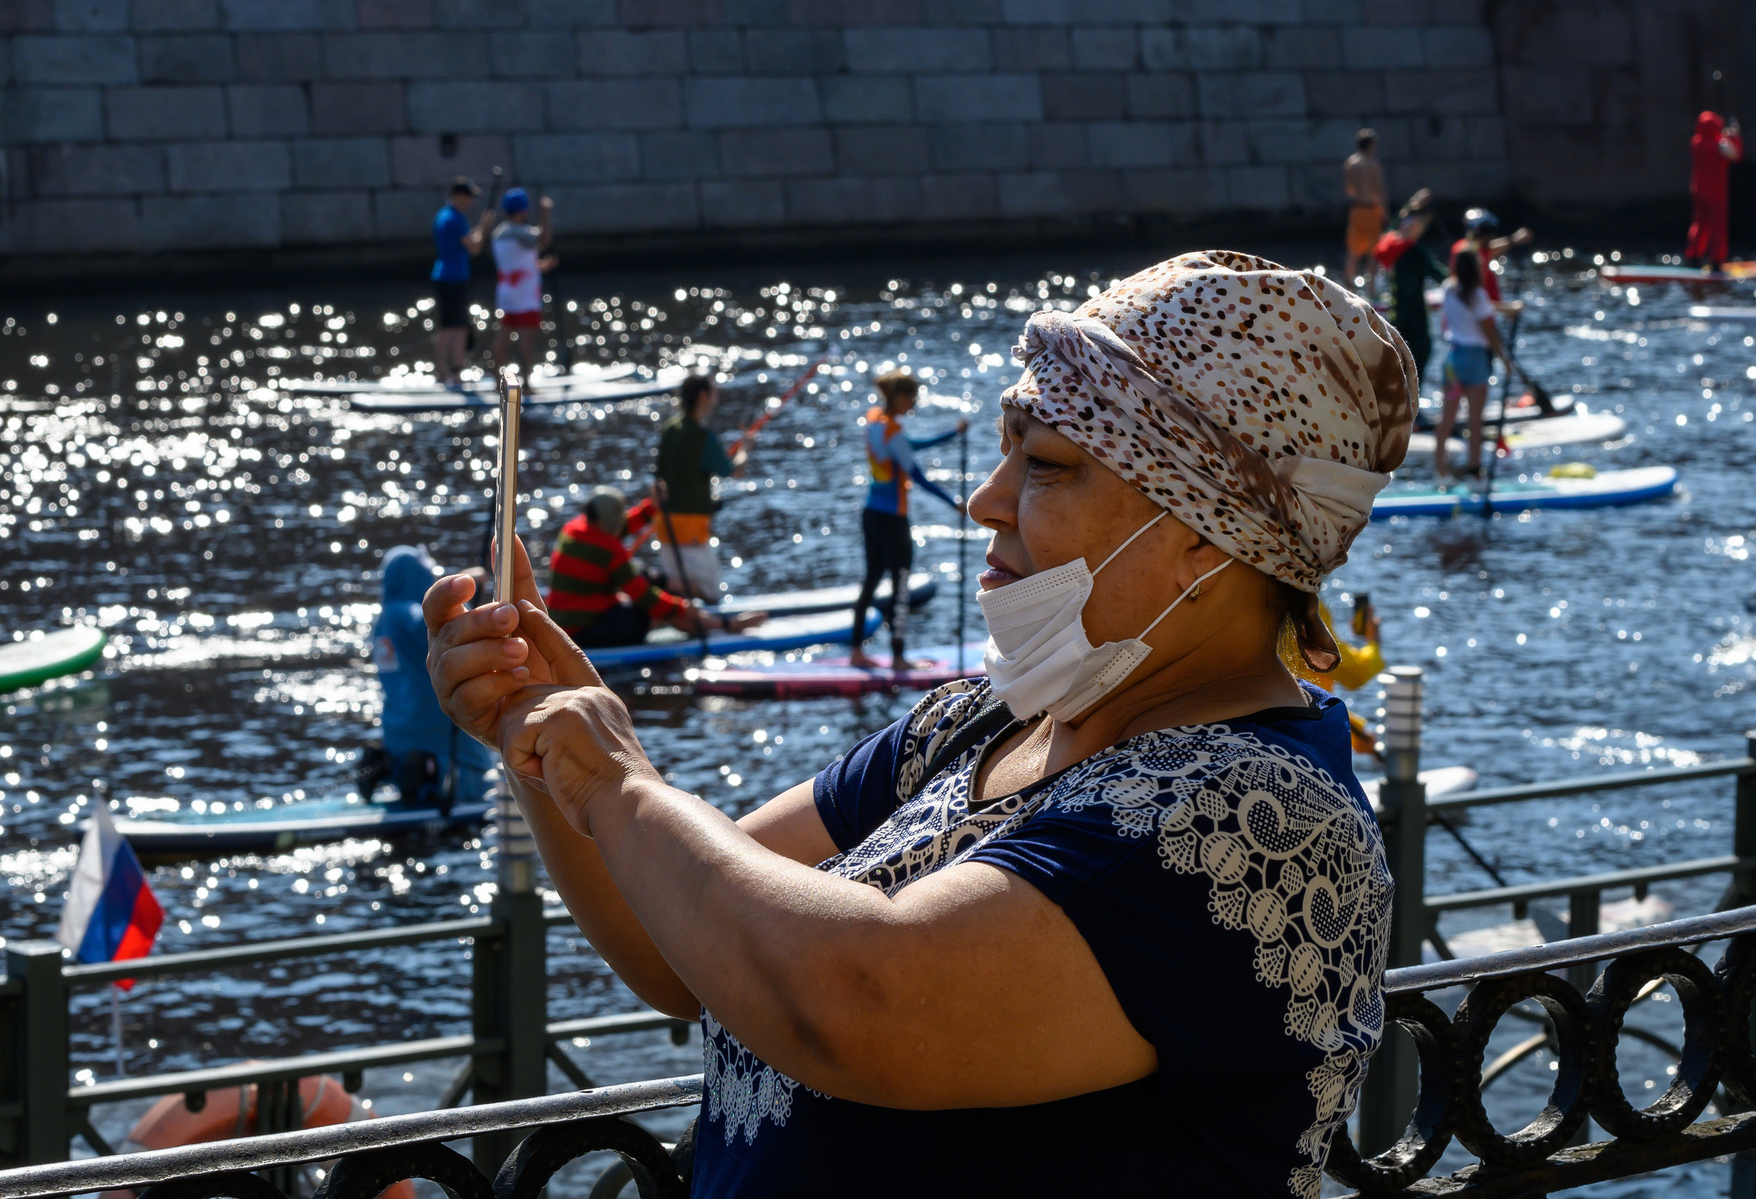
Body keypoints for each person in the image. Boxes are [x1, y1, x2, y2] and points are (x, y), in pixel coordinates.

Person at [423, 250, 1403, 1197]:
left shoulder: (1270, 825)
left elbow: (860, 1003)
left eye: (1048, 464)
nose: (988, 500)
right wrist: (539, 730)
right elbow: (681, 943)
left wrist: (622, 785)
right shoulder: (982, 723)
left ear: (1205, 536)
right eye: (1007, 452)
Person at [541, 487, 757, 648]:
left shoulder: (572, 528)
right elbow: (646, 598)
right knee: (659, 607)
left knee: (647, 578)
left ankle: (701, 612)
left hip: (566, 623)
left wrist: (651, 507)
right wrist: (681, 607)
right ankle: (725, 625)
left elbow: (621, 527)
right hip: (584, 633)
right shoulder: (609, 548)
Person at [852, 370, 965, 668]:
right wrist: (952, 502)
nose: (914, 403)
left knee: (872, 579)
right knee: (900, 585)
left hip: (871, 514)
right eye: (912, 398)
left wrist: (952, 434)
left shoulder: (875, 420)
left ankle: (856, 652)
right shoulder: (894, 433)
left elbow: (910, 445)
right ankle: (899, 657)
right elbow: (917, 476)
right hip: (893, 520)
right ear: (901, 397)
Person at [369, 547, 496, 808]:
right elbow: (441, 625)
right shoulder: (409, 615)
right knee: (482, 778)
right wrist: (460, 592)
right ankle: (430, 772)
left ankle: (393, 769)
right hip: (435, 733)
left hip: (399, 732)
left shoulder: (382, 622)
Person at [650, 373, 745, 603]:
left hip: (665, 526)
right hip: (690, 530)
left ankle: (665, 596)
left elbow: (658, 477)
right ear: (703, 396)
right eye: (713, 393)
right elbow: (733, 470)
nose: (715, 398)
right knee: (712, 595)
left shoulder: (670, 429)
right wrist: (746, 447)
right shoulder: (702, 436)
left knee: (682, 592)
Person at [1430, 248, 1509, 486]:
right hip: (1475, 361)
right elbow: (1489, 332)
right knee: (1475, 421)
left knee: (1447, 419)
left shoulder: (1448, 288)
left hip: (1453, 360)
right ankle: (1475, 473)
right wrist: (1505, 361)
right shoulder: (1478, 295)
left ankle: (1441, 472)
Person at [1375, 190, 1444, 393]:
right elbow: (1441, 276)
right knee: (1420, 356)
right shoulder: (1415, 253)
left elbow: (1393, 226)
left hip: (1396, 316)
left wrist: (1411, 203)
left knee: (1399, 365)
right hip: (1415, 319)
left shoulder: (1390, 246)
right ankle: (1415, 408)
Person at [431, 178, 492, 384]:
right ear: (457, 196)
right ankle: (451, 373)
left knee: (453, 325)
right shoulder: (454, 219)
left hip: (448, 276)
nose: (471, 201)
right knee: (455, 327)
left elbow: (466, 240)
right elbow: (475, 247)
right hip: (453, 278)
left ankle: (447, 372)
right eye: (468, 197)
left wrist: (480, 228)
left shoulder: (445, 216)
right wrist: (484, 227)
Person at [489, 189, 555, 378]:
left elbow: (517, 262)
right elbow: (544, 239)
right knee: (526, 339)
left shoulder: (499, 233)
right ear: (522, 210)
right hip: (526, 295)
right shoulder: (522, 233)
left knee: (504, 335)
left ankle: (496, 381)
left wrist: (541, 266)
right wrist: (545, 213)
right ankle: (526, 384)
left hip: (507, 292)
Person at [1686, 111, 1744, 269]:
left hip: (1698, 190)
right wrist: (1735, 137)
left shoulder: (1696, 142)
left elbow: (1713, 139)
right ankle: (1716, 262)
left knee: (1699, 225)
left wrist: (1724, 137)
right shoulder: (1720, 144)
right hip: (1716, 192)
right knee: (1718, 227)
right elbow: (1735, 155)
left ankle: (1694, 257)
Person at [1342, 128, 1386, 292]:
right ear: (1370, 145)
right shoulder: (1373, 164)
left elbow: (1349, 189)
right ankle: (1371, 289)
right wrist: (1384, 212)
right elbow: (1378, 190)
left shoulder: (1350, 163)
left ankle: (1348, 285)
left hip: (1356, 209)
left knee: (1353, 249)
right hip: (1371, 209)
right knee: (1373, 251)